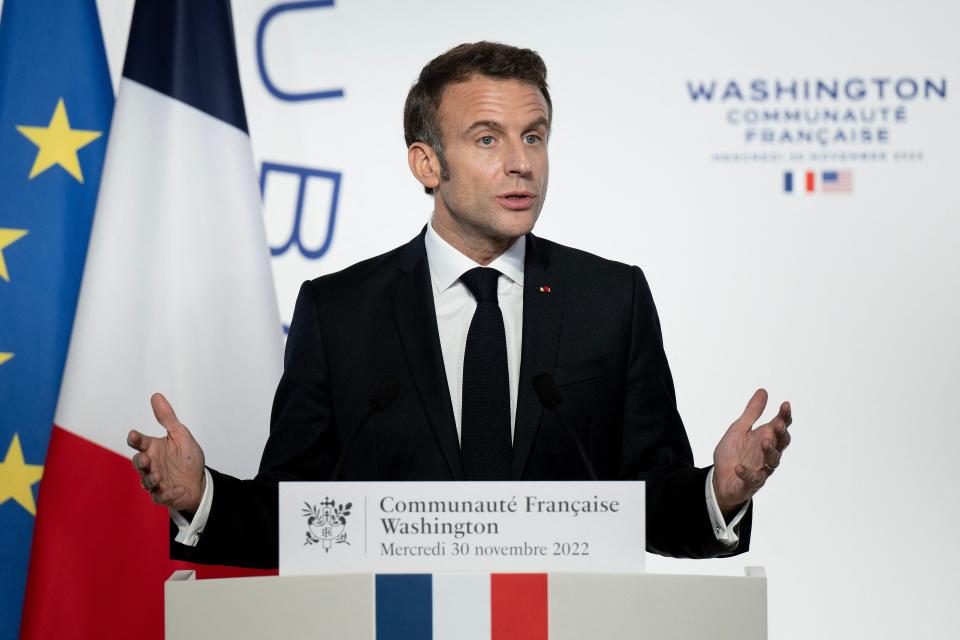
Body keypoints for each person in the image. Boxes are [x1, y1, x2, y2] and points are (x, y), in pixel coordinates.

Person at [128, 42, 792, 569]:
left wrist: (719, 493)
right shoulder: (341, 313)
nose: (521, 163)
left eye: (534, 136)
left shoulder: (610, 300)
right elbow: (298, 517)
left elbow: (649, 500)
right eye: (486, 138)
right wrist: (201, 498)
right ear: (427, 164)